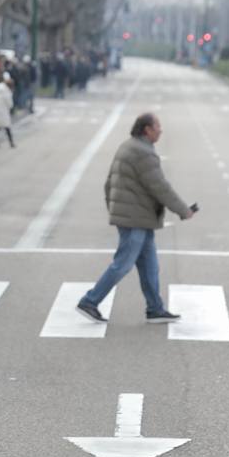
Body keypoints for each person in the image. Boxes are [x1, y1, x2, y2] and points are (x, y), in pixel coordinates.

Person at [77, 112, 195, 324]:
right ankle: (90, 301)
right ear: (147, 129)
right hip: (135, 219)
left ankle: (155, 309)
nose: (161, 130)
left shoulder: (128, 146)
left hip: (137, 218)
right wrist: (183, 210)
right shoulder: (143, 153)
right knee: (123, 264)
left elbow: (109, 182)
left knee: (150, 265)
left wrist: (113, 209)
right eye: (157, 126)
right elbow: (160, 187)